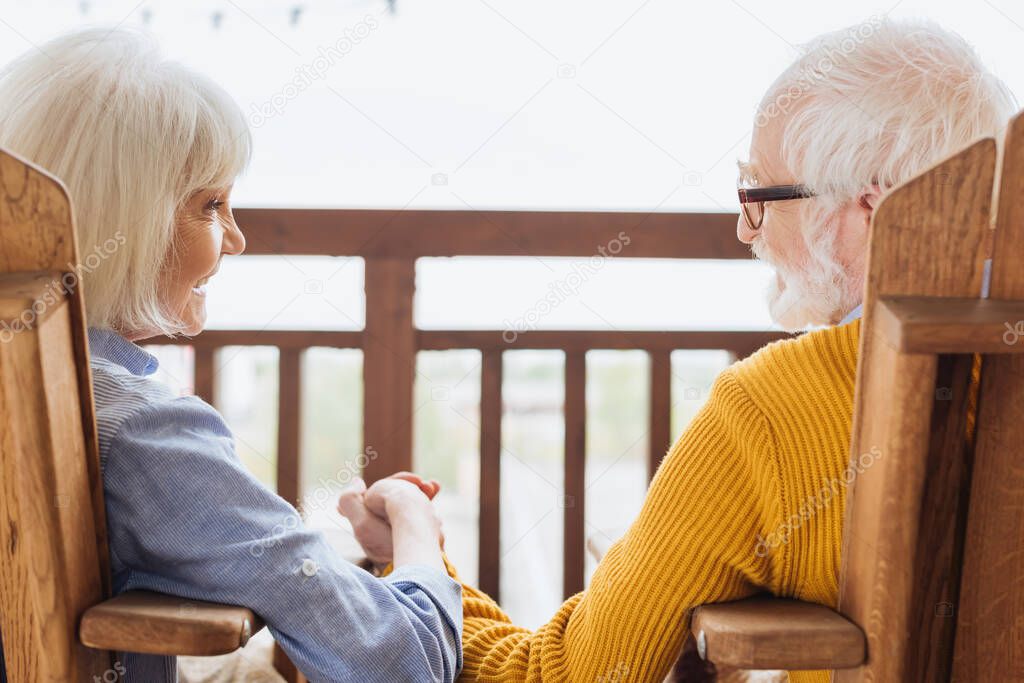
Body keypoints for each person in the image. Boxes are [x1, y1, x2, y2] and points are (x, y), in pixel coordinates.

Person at [337, 18, 1017, 683]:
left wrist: (417, 557)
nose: (745, 229)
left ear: (872, 207)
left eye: (760, 195)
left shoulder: (774, 410)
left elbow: (567, 673)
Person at [0, 28, 462, 683]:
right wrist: (417, 535)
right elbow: (400, 661)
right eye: (211, 205)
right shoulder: (142, 431)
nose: (237, 238)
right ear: (124, 224)